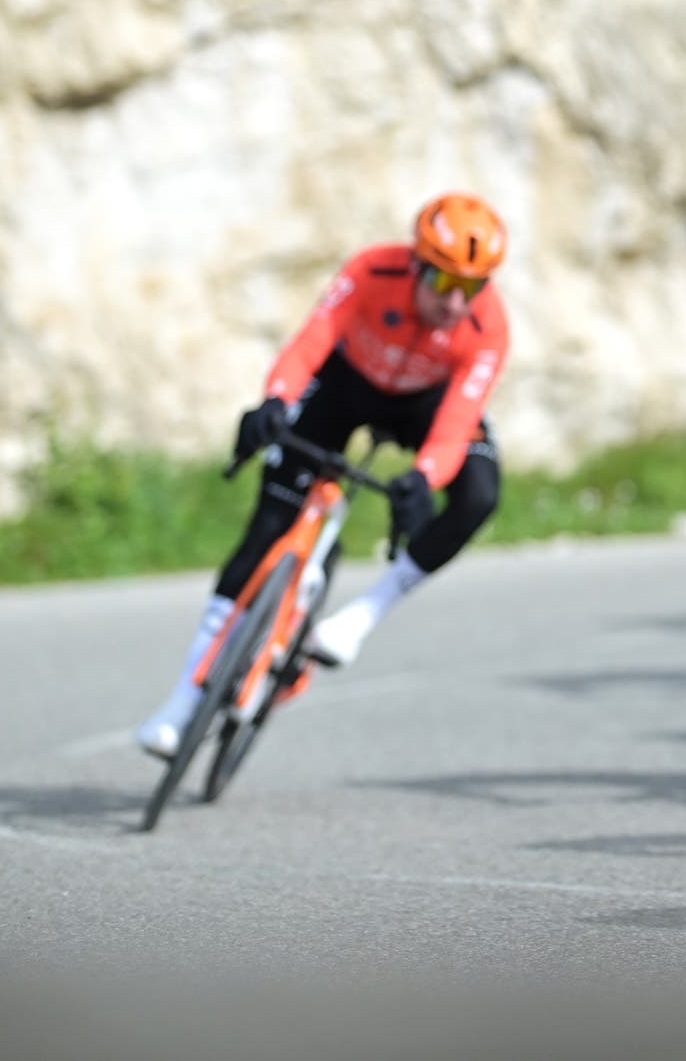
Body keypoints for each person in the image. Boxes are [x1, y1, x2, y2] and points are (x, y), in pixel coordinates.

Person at [133, 194, 512, 758]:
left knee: (479, 493)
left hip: (424, 404)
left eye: (473, 286)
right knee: (267, 528)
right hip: (347, 383)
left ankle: (363, 614)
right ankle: (184, 703)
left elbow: (458, 417)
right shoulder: (370, 270)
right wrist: (276, 400)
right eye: (441, 282)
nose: (455, 302)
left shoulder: (487, 328)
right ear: (414, 264)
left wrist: (424, 477)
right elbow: (313, 339)